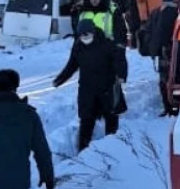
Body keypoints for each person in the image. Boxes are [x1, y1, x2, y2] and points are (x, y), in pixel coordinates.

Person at [53, 19, 128, 152]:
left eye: (87, 35)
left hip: (107, 89)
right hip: (87, 91)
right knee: (86, 121)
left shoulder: (106, 44)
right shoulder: (78, 47)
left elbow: (119, 60)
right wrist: (60, 79)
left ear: (93, 32)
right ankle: (83, 152)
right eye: (82, 36)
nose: (85, 38)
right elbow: (71, 65)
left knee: (111, 119)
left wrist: (121, 75)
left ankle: (112, 150)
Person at [74, 0, 130, 81]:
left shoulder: (113, 11)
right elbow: (79, 36)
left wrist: (120, 70)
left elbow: (120, 38)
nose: (94, 0)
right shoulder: (83, 12)